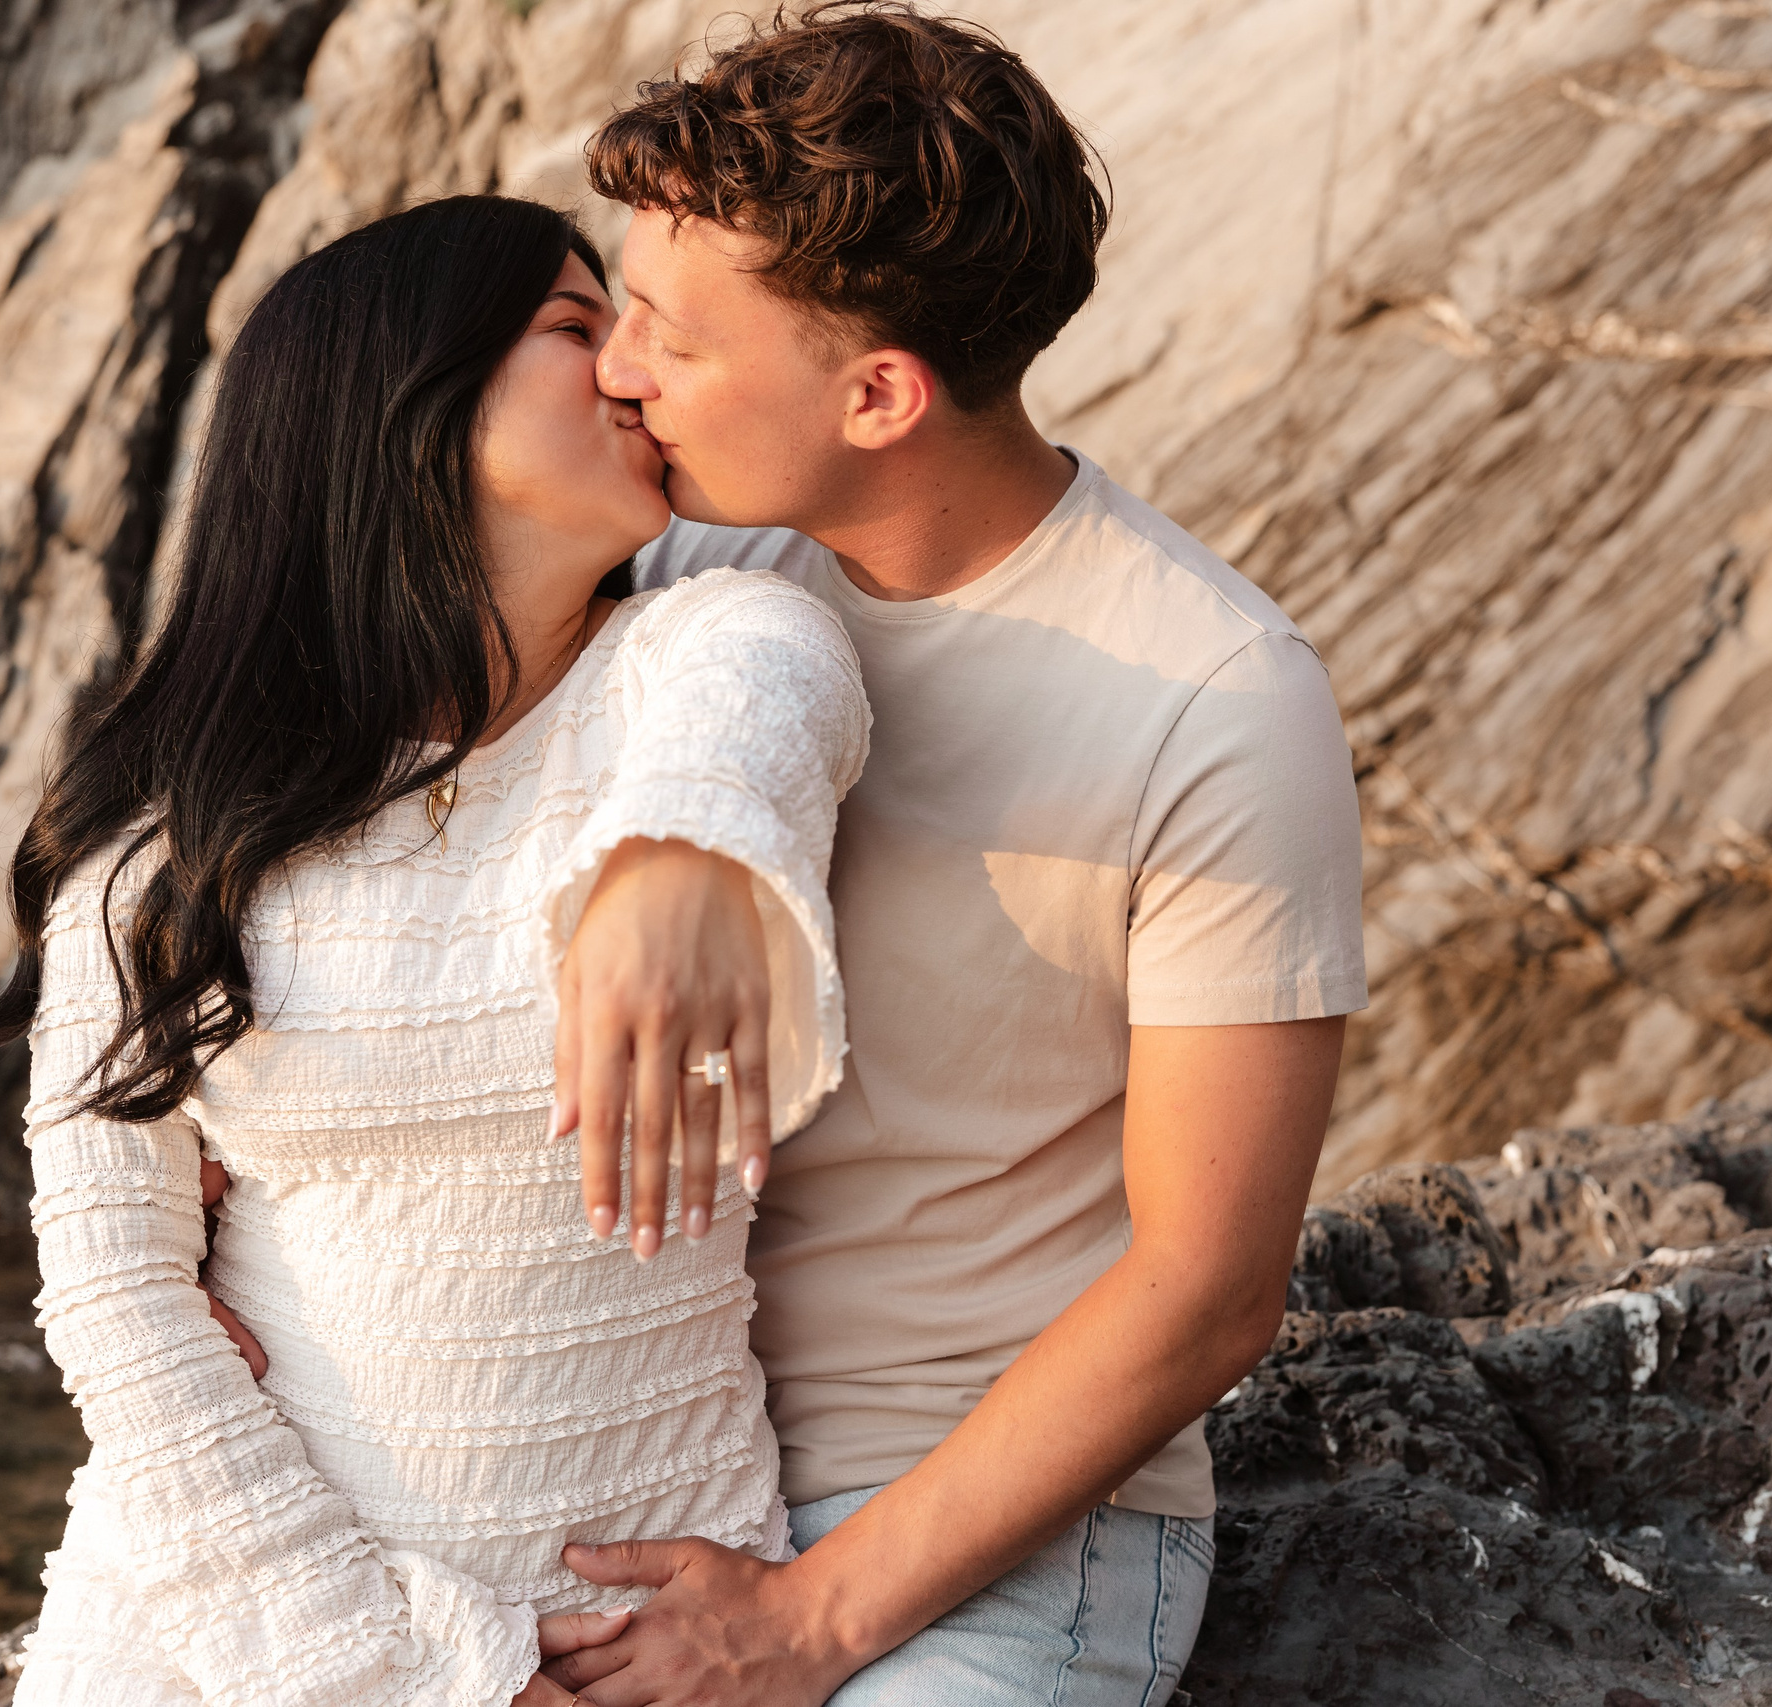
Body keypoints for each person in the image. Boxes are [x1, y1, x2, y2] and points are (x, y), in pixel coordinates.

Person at [521, 7, 1369, 1704]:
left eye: (672, 344)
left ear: (882, 393)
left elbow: (1209, 1288)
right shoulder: (682, 562)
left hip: (981, 1533)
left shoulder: (1215, 700)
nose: (615, 374)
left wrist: (812, 1617)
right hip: (619, 1441)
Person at [0, 194, 871, 1707]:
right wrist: (400, 1674)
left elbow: (770, 694)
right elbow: (116, 1291)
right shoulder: (168, 846)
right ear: (404, 408)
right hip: (234, 1641)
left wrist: (680, 857)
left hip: (646, 1639)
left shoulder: (707, 654)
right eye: (577, 328)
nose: (633, 368)